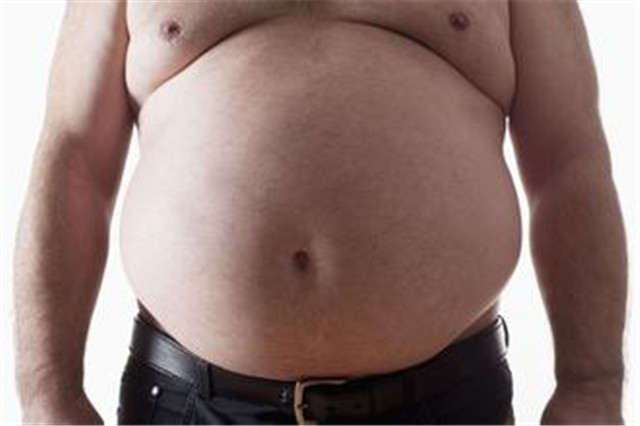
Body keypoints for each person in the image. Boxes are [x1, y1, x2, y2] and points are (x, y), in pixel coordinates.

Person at [13, 0, 627, 424]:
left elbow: (569, 166)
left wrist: (591, 387)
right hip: (191, 402)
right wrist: (49, 397)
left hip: (444, 401)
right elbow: (74, 160)